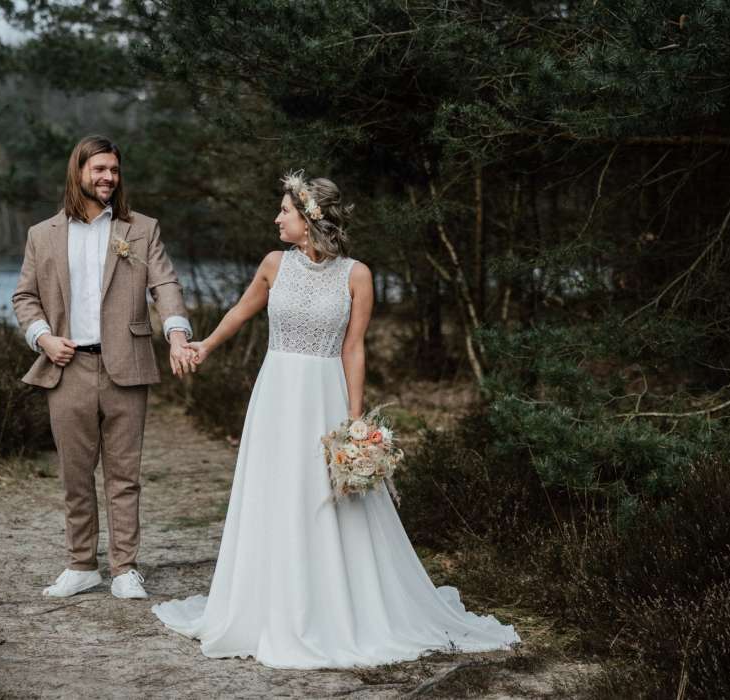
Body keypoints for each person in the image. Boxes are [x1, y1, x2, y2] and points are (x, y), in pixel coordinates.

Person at [151, 171, 520, 668]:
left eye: (285, 210)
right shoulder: (274, 264)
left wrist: (355, 421)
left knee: (325, 496)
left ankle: (335, 604)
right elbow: (240, 312)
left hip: (325, 394)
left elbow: (354, 348)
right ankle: (268, 603)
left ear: (310, 218)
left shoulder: (356, 275)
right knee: (275, 490)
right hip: (277, 393)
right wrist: (205, 346)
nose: (277, 218)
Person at [12, 135, 195, 601]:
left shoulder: (141, 229)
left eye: (114, 170)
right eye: (99, 169)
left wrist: (176, 334)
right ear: (79, 172)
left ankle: (124, 569)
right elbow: (24, 297)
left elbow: (166, 284)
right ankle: (81, 565)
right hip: (67, 366)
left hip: (127, 366)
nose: (108, 177)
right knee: (75, 475)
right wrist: (43, 338)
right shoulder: (42, 234)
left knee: (124, 475)